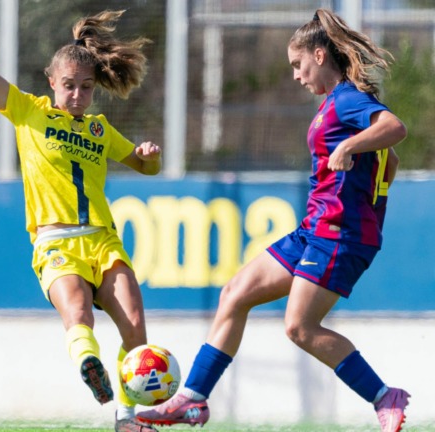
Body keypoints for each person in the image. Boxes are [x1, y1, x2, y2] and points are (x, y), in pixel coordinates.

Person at [137, 8, 409, 432]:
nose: (297, 76)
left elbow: (394, 129)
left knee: (299, 327)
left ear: (319, 55)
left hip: (339, 234)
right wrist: (373, 181)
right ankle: (192, 400)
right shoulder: (331, 105)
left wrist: (351, 150)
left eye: (298, 65)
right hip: (313, 229)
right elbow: (388, 160)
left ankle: (383, 396)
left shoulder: (350, 99)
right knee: (234, 293)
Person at [0, 1, 162, 431]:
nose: (77, 95)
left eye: (86, 87)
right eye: (69, 85)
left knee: (136, 326)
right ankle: (91, 367)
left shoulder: (100, 130)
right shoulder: (28, 111)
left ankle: (127, 417)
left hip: (103, 241)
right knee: (78, 315)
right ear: (51, 82)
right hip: (56, 242)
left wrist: (147, 156)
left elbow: (146, 168)